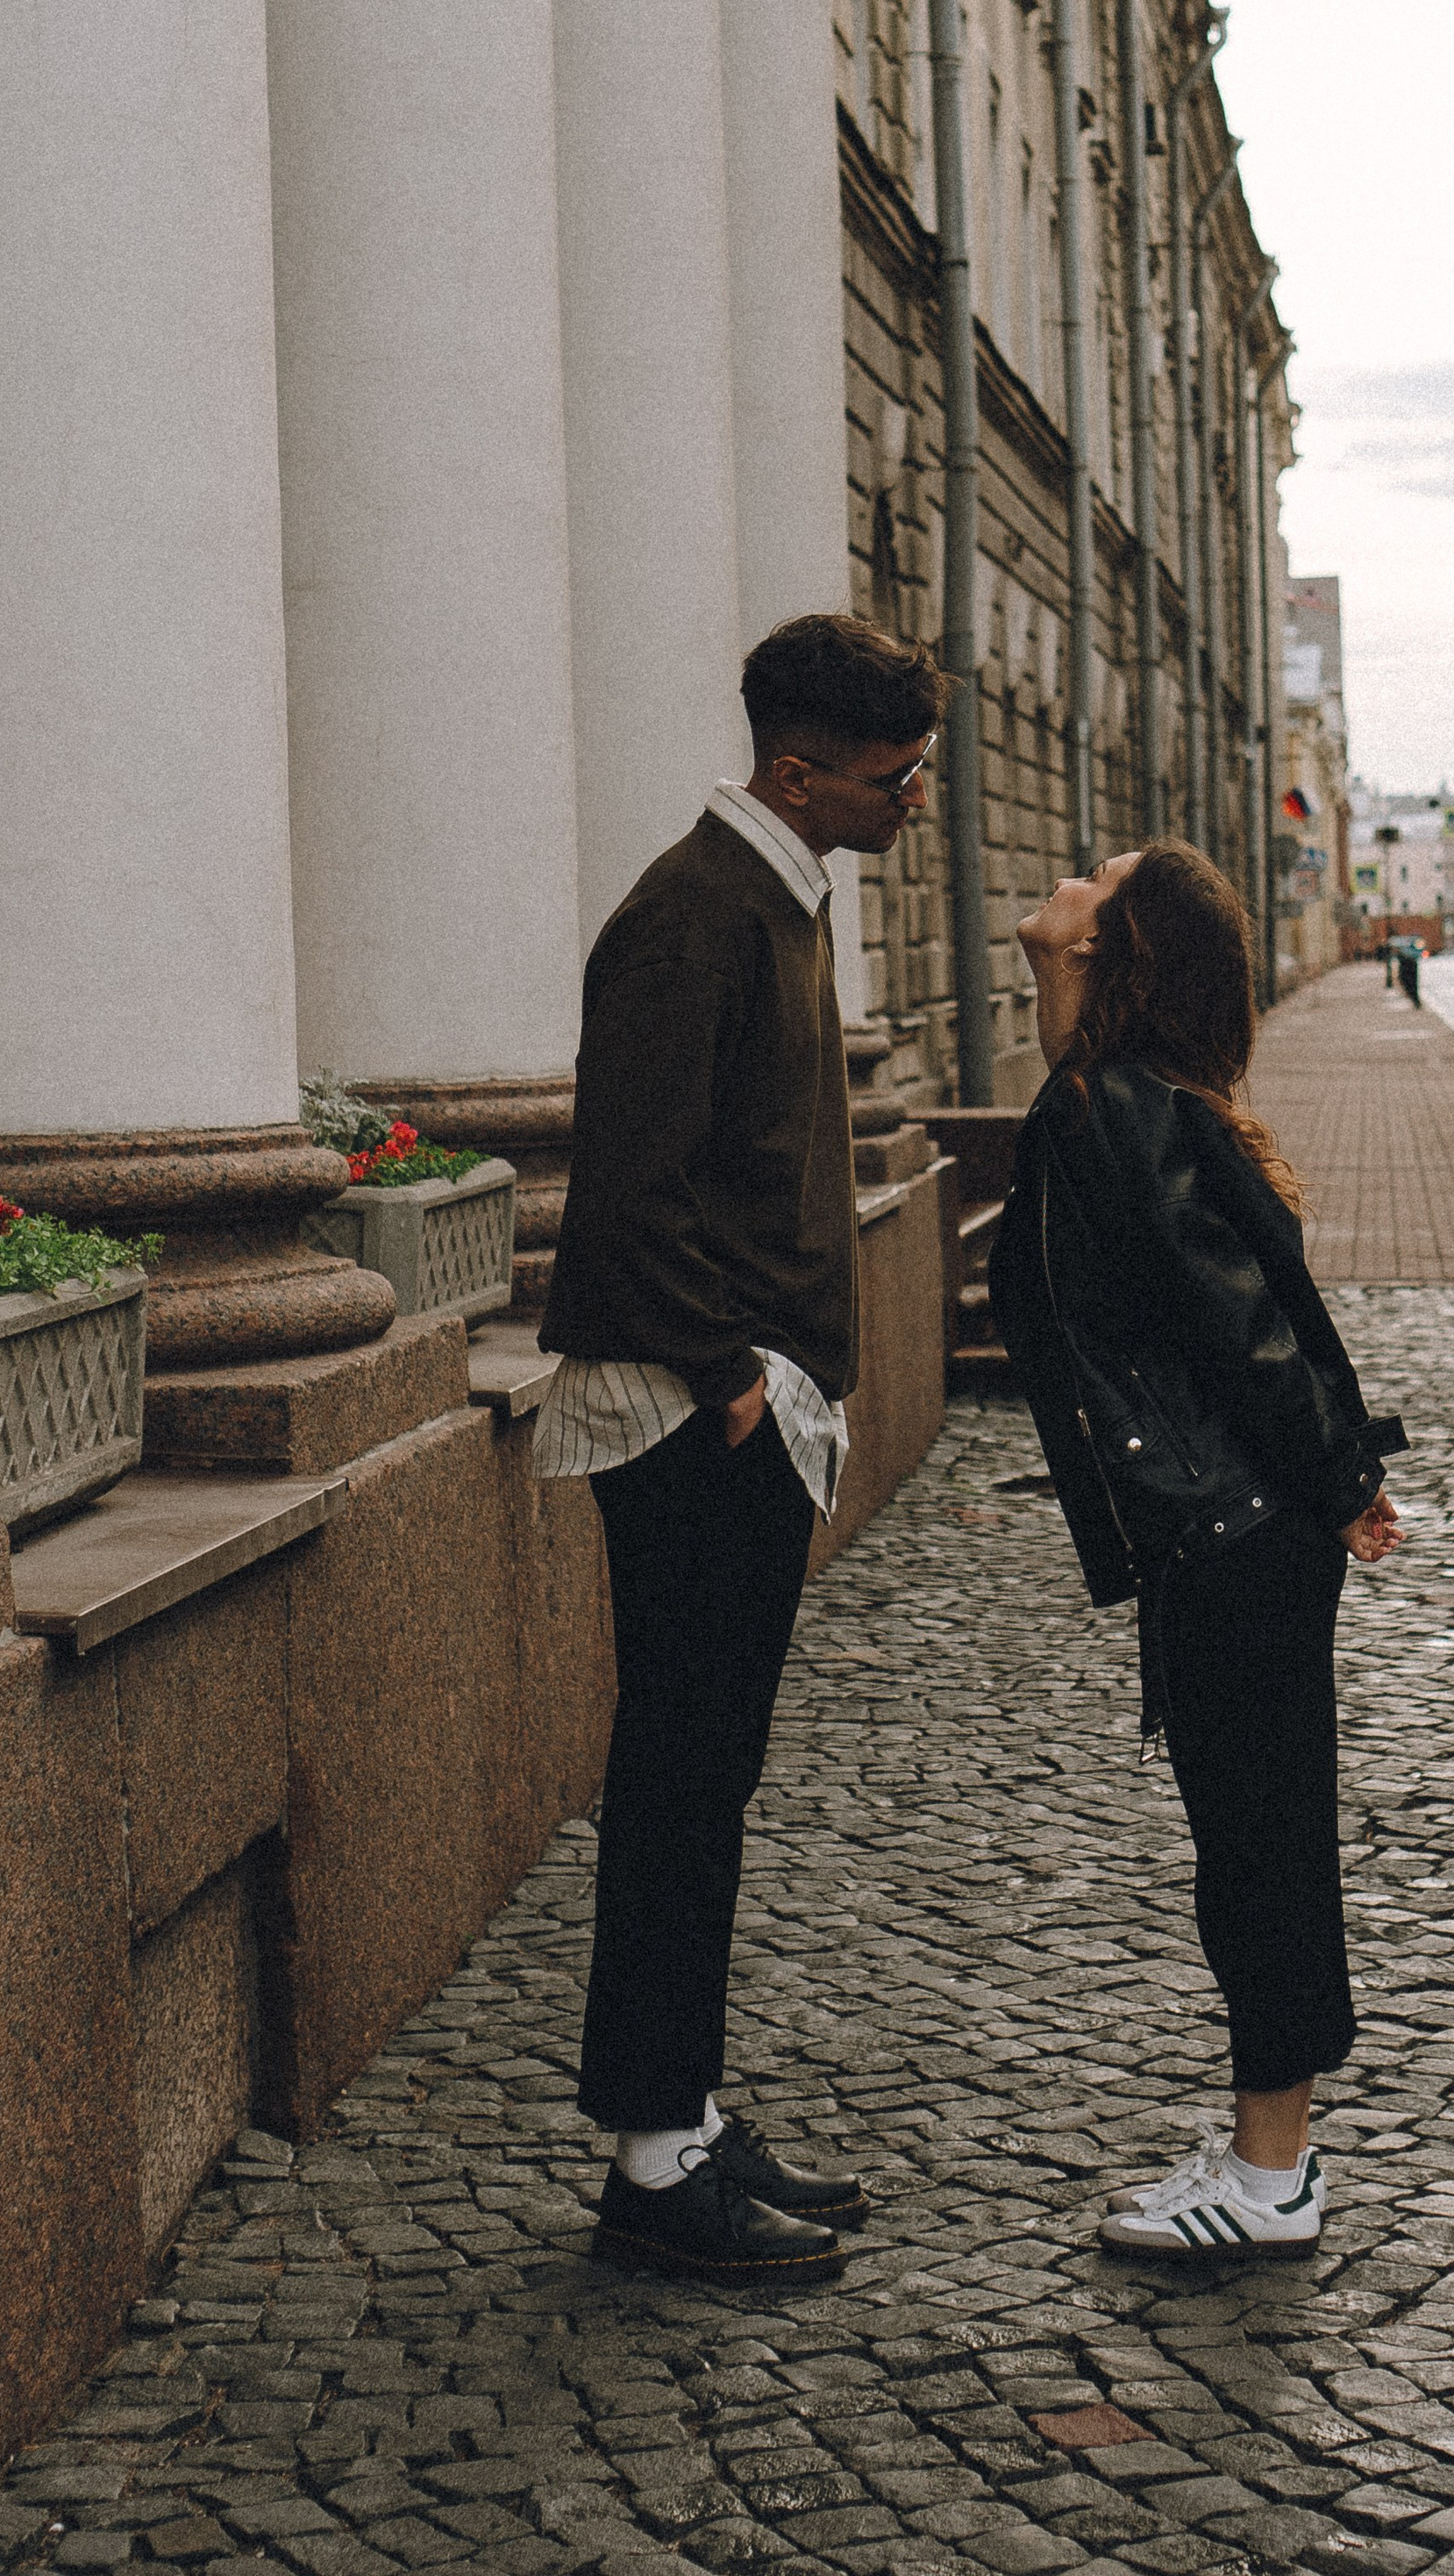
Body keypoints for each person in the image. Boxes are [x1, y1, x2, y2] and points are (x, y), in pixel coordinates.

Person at [538, 611, 944, 2284]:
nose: (913, 796)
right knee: (679, 1789)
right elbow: (625, 1190)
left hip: (745, 1409)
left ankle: (684, 2119)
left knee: (710, 1784)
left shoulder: (778, 896)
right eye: (892, 773)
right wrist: (730, 1378)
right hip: (692, 1417)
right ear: (799, 768)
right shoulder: (689, 917)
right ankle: (651, 2172)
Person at [988, 840, 1405, 2263]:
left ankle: (1272, 2174)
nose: (1067, 878)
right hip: (1234, 1532)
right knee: (1253, 1837)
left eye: (1096, 882)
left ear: (1115, 949)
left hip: (1236, 1536)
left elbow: (1248, 1326)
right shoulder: (1119, 1100)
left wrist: (1340, 1477)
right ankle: (1261, 2144)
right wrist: (1337, 1478)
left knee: (1261, 1847)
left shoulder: (1118, 1110)